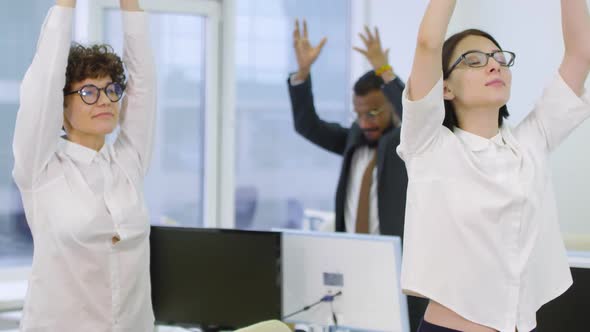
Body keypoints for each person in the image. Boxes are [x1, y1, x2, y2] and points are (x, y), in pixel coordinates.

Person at [398, 0, 590, 331]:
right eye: (474, 61)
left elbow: (580, 54)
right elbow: (428, 44)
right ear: (444, 87)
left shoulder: (531, 142)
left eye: (500, 59)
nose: (493, 66)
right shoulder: (428, 145)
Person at [12, 0, 156, 330]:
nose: (104, 99)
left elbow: (144, 83)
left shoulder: (128, 162)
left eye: (111, 90)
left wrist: (129, 5)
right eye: (89, 92)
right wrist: (66, 4)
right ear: (61, 105)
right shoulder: (41, 169)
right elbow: (44, 82)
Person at [287, 20, 426, 331]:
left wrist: (386, 71)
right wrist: (302, 75)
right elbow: (307, 125)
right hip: (351, 266)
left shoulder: (409, 146)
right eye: (359, 114)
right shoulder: (354, 141)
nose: (365, 122)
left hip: (397, 270)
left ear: (392, 107)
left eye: (374, 112)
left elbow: (418, 119)